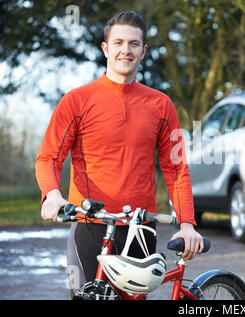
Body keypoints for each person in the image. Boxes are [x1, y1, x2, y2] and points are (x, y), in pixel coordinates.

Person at [35, 11, 204, 294]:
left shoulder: (162, 106)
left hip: (141, 228)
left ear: (143, 51)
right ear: (105, 48)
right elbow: (48, 157)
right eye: (118, 43)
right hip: (89, 226)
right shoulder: (76, 101)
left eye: (134, 44)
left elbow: (176, 169)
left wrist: (187, 223)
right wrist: (52, 194)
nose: (126, 50)